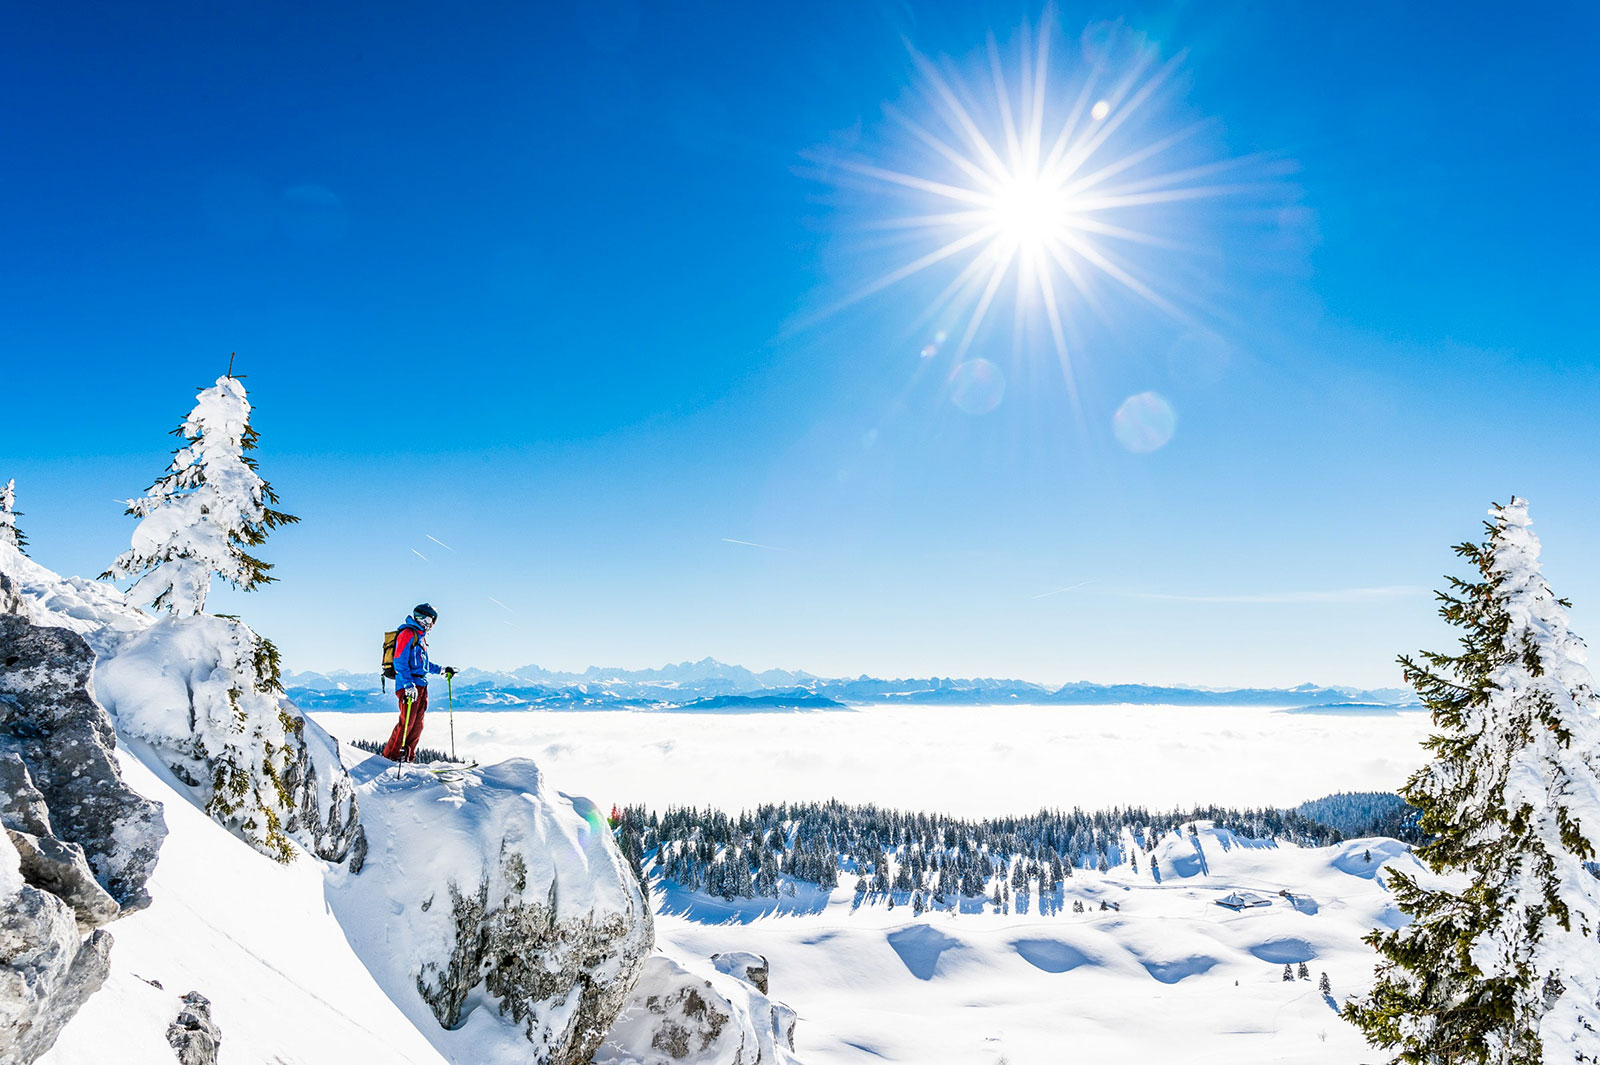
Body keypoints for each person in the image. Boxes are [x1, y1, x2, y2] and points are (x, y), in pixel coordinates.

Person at [381, 603, 456, 763]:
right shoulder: (408, 633)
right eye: (430, 620)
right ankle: (390, 758)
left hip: (421, 685)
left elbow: (423, 665)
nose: (431, 624)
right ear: (423, 618)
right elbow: (399, 660)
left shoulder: (420, 637)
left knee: (417, 725)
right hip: (409, 686)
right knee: (406, 723)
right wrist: (408, 684)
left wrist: (442, 670)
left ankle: (408, 758)